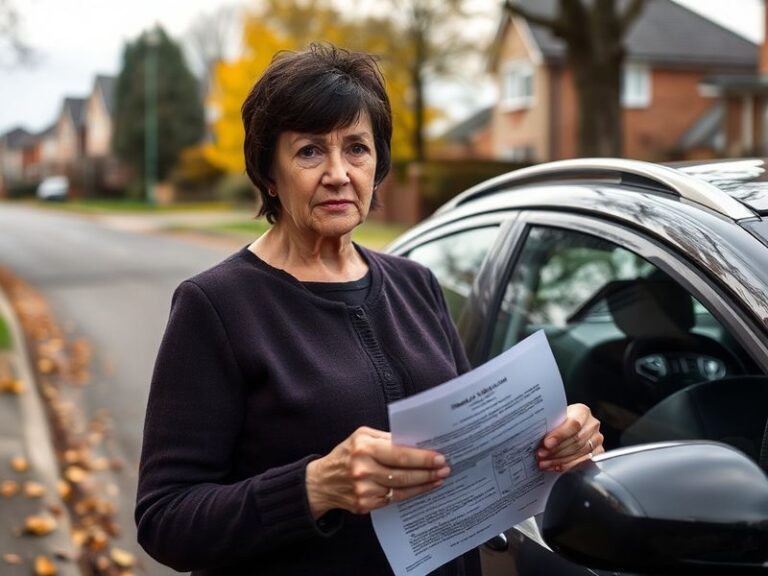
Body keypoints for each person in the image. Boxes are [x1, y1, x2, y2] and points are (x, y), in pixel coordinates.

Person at [135, 43, 604, 576]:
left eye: (356, 148)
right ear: (268, 173)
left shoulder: (416, 284)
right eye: (310, 151)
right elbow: (165, 519)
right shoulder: (216, 305)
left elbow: (477, 449)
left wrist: (557, 439)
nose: (338, 173)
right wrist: (315, 487)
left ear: (377, 163)